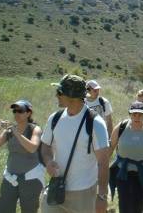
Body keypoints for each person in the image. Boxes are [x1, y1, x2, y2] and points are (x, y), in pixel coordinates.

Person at [40, 74, 109, 213]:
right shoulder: (55, 118)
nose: (56, 95)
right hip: (56, 190)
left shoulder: (95, 123)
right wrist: (48, 162)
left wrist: (102, 196)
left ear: (72, 96)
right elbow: (45, 146)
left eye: (60, 92)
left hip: (83, 194)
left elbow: (103, 162)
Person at [0, 100, 44, 213]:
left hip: (31, 178)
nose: (16, 114)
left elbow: (32, 148)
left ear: (28, 113)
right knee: (2, 209)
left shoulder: (34, 129)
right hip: (10, 177)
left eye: (20, 111)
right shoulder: (10, 130)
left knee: (29, 210)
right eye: (14, 111)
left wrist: (16, 132)